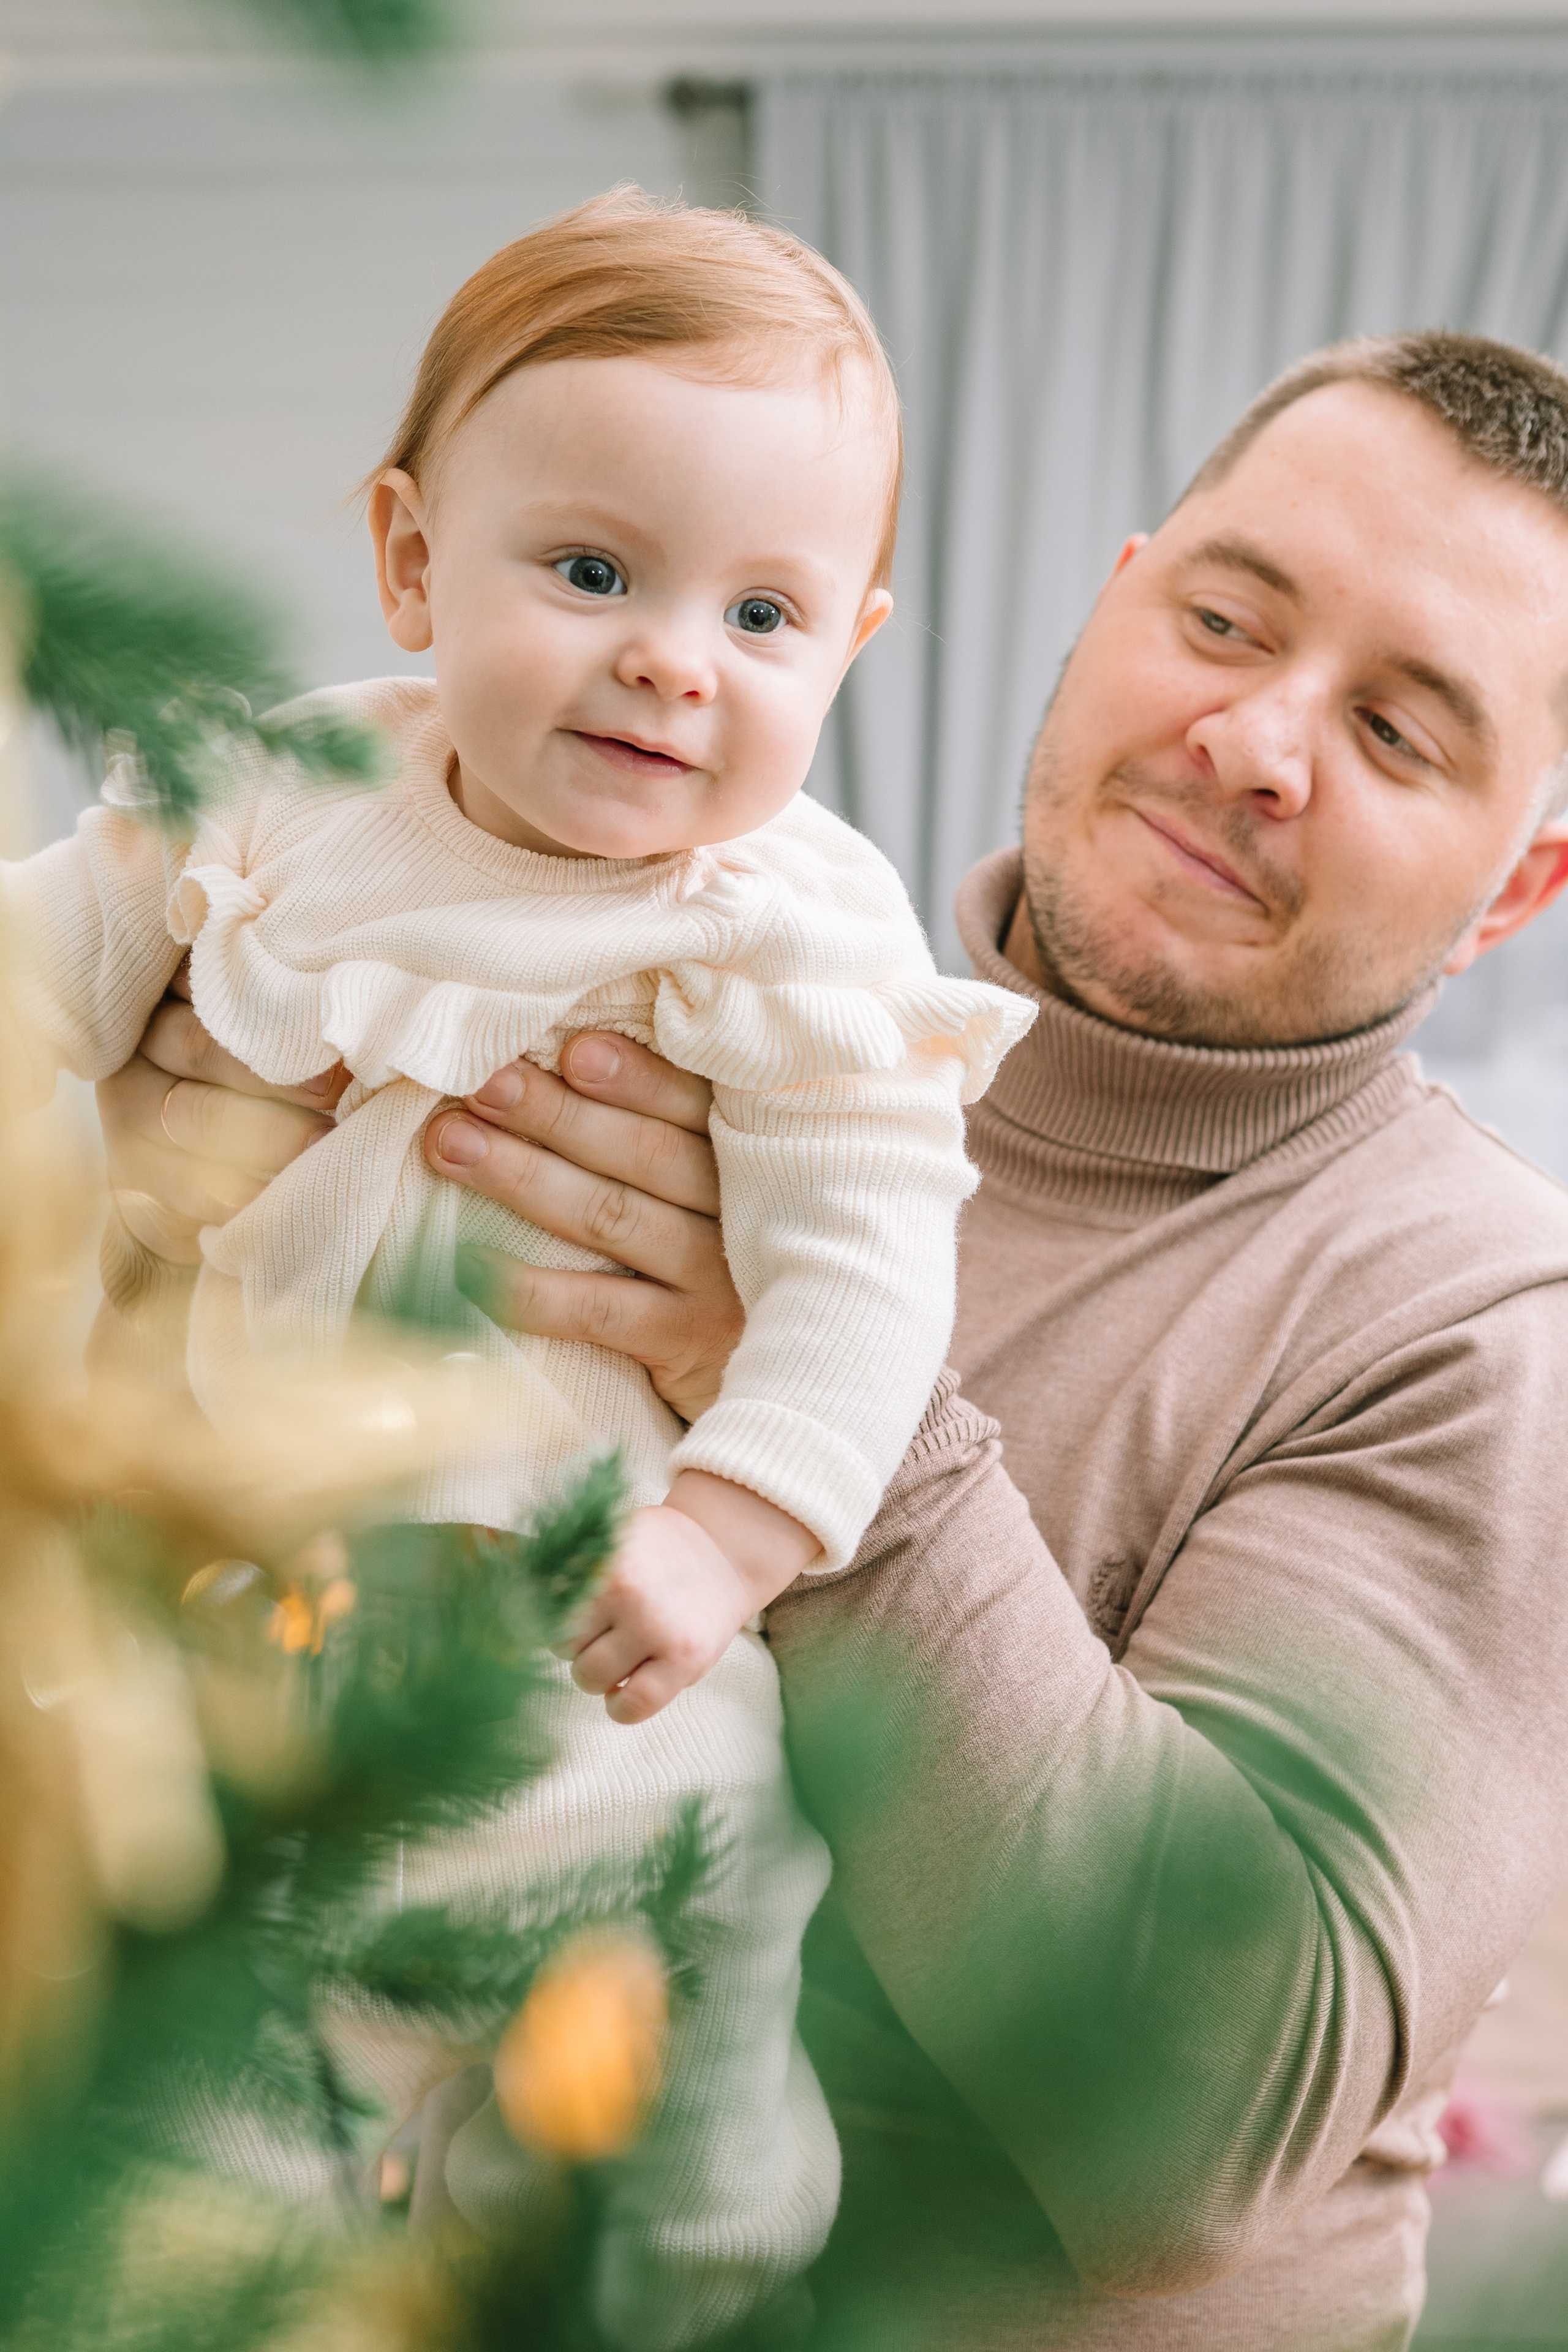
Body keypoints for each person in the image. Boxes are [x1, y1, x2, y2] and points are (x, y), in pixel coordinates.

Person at [97, 327, 1568, 2350]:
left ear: (1524, 886)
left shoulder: (1482, 1320)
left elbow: (1188, 2130)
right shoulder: (693, 980)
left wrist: (802, 1390)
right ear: (1112, 596)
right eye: (1225, 619)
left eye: (1403, 735)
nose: (1259, 740)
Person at [6, 190, 1031, 2348]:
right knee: (202, 2066)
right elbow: (50, 959)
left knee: (698, 1991)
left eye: (766, 616)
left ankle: (699, 2284)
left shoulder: (792, 931)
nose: (675, 655)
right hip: (250, 1616)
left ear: (854, 644)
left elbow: (864, 1276)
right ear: (409, 561)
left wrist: (731, 1537)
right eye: (593, 573)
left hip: (594, 1655)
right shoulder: (285, 793)